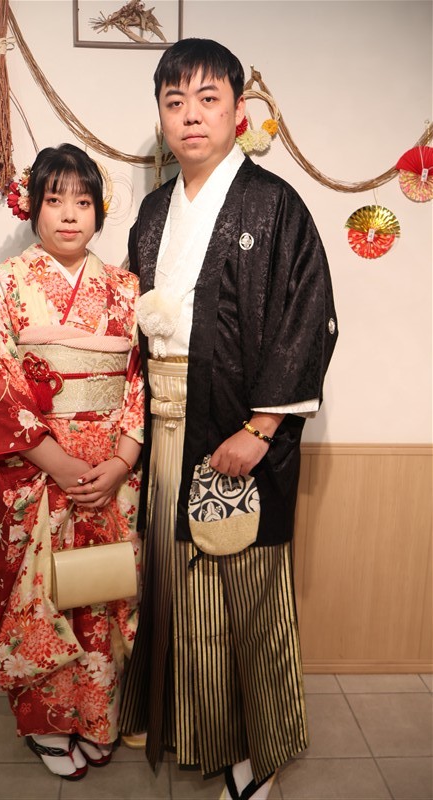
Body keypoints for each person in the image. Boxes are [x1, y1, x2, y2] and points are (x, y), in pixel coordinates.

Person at [119, 39, 338, 800]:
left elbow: (308, 319)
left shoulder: (273, 205)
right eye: (174, 101)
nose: (191, 116)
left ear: (237, 111)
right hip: (165, 426)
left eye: (207, 99)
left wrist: (262, 429)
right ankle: (199, 731)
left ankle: (256, 756)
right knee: (181, 591)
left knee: (245, 594)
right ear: (161, 115)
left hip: (237, 433)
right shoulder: (154, 211)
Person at [0, 144, 144, 781]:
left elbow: (141, 381)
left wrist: (122, 461)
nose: (69, 214)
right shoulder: (5, 285)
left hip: (111, 475)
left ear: (99, 212)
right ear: (33, 207)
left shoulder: (125, 290)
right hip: (36, 471)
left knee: (103, 589)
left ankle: (96, 717)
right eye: (55, 199)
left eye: (83, 202)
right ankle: (45, 724)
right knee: (45, 598)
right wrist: (57, 462)